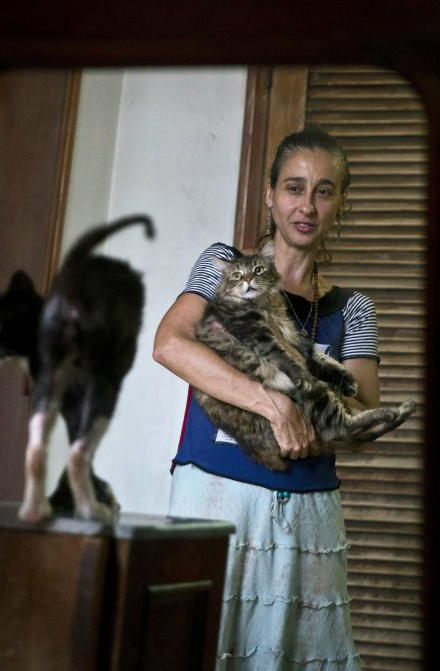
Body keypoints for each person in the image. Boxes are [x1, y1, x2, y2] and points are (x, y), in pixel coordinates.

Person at [153, 127, 379, 669]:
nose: (307, 204)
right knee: (199, 647)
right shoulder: (223, 264)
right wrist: (273, 403)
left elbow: (363, 419)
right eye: (295, 187)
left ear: (340, 203)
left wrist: (316, 413)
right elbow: (169, 344)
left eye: (324, 191)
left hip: (309, 514)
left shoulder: (354, 309)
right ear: (271, 195)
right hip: (215, 498)